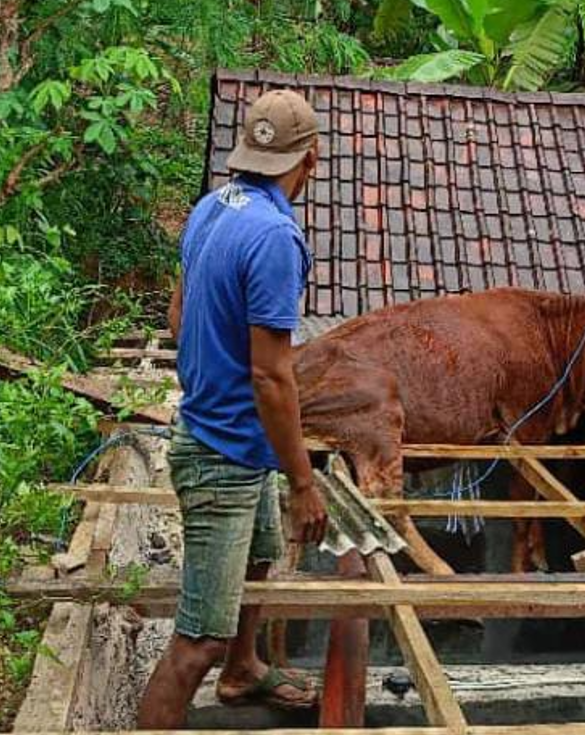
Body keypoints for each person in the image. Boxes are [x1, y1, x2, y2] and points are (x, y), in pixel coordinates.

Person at [138, 89, 329, 728]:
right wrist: (304, 481)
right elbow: (272, 376)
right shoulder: (276, 236)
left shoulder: (210, 207)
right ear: (311, 159)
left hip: (225, 437)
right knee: (197, 643)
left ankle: (243, 671)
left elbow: (176, 317)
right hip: (222, 456)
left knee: (257, 557)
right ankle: (219, 666)